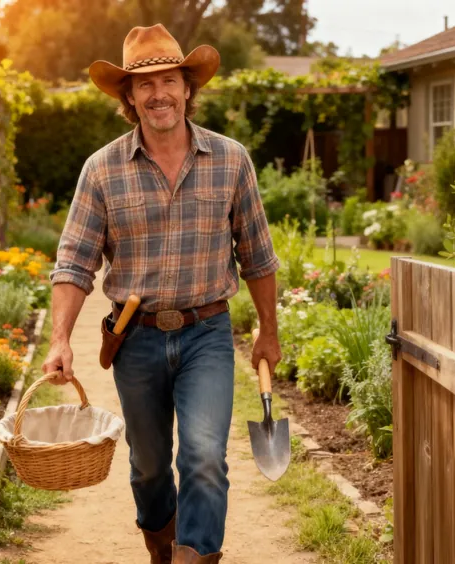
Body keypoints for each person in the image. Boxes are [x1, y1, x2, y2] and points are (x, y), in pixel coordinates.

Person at [42, 24, 282, 564]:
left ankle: (195, 557)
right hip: (136, 340)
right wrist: (60, 338)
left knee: (203, 456)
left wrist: (269, 331)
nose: (159, 94)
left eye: (169, 80)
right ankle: (161, 547)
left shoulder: (231, 160)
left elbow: (259, 256)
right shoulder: (101, 170)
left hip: (207, 334)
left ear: (187, 88)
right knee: (149, 465)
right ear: (129, 96)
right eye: (145, 85)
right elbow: (74, 261)